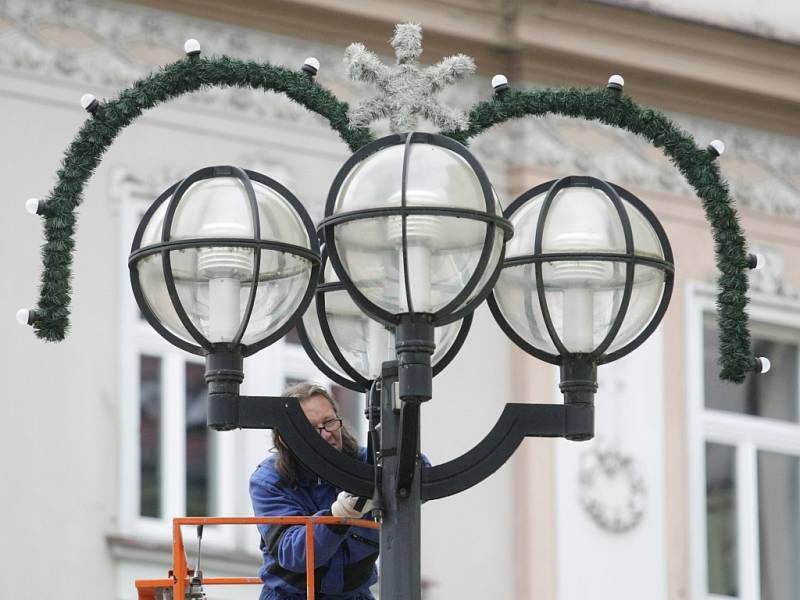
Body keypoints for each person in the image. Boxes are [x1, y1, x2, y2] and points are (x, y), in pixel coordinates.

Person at [249, 383, 378, 600]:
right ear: (285, 439)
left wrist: (397, 457)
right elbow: (296, 554)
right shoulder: (268, 481)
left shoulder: (366, 464)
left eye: (329, 422)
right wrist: (338, 516)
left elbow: (416, 473)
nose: (326, 435)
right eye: (311, 430)